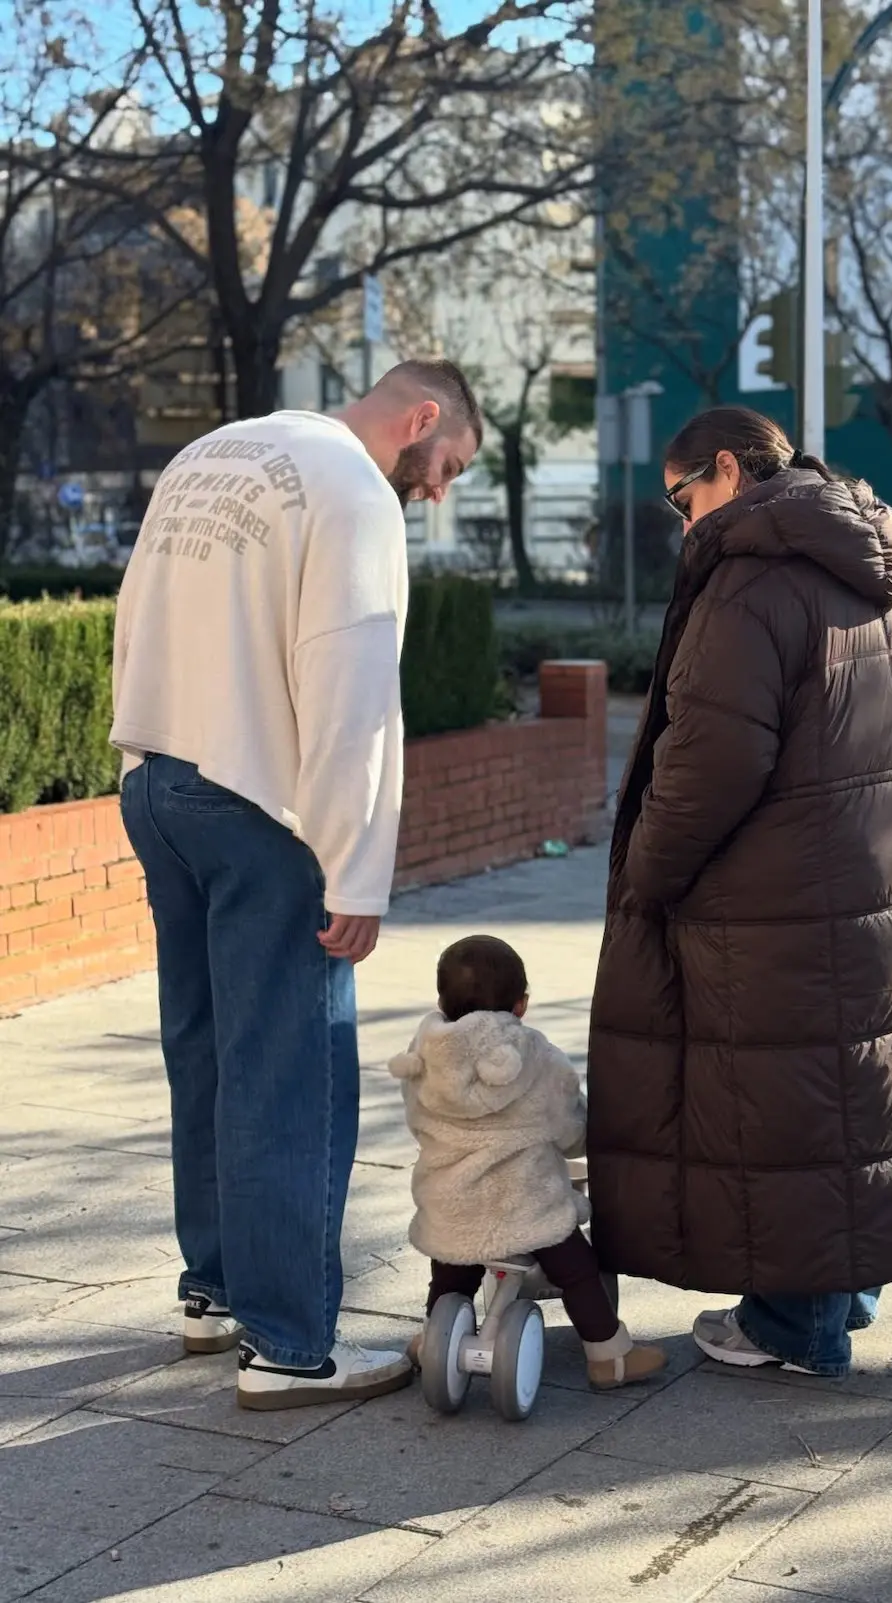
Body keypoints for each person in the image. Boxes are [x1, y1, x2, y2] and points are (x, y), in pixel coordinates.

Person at [111, 359, 482, 1410]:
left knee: (208, 1053)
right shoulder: (352, 488)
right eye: (443, 464)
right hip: (258, 806)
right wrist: (356, 867)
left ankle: (216, 1291)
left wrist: (135, 767)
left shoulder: (212, 451)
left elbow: (132, 616)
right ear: (419, 417)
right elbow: (351, 688)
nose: (435, 491)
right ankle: (288, 1344)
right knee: (288, 1071)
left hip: (159, 781)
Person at [587, 406, 892, 1380]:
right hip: (872, 880)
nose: (680, 524)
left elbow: (710, 758)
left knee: (785, 1099)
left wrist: (645, 877)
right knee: (848, 1093)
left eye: (681, 498)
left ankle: (793, 1326)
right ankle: (845, 1289)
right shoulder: (868, 560)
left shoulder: (750, 581)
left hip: (775, 893)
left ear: (725, 466)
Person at [392, 935, 666, 1391]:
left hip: (451, 1204)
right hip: (526, 1204)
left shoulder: (423, 1053)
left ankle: (433, 1338)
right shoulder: (536, 1056)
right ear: (521, 1005)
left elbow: (417, 1122)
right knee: (577, 1269)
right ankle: (609, 1355)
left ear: (441, 1001)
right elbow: (570, 1130)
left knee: (452, 1272)